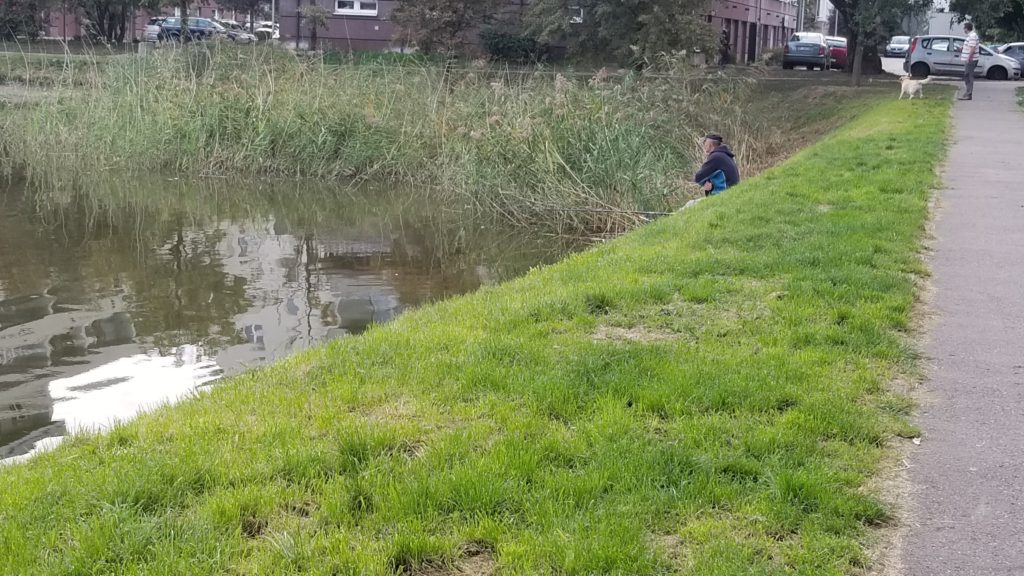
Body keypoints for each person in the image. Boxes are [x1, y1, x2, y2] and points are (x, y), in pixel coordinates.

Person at [960, 22, 980, 101]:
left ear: (966, 28)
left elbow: (973, 48)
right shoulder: (970, 36)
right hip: (970, 59)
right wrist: (963, 48)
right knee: (967, 76)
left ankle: (968, 94)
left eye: (964, 28)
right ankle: (967, 93)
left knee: (968, 76)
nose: (963, 30)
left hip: (971, 60)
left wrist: (969, 58)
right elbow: (970, 46)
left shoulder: (972, 36)